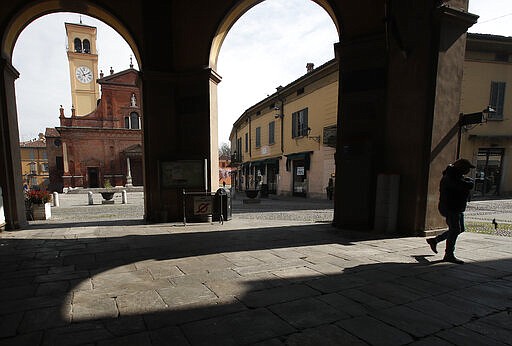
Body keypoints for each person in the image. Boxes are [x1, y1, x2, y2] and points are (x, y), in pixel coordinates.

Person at [426, 158, 475, 264]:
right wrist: (470, 182)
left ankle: (435, 240)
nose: (468, 171)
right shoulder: (451, 177)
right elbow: (465, 185)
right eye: (467, 168)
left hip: (456, 207)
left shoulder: (456, 176)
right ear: (461, 168)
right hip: (451, 207)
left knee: (459, 229)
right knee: (455, 229)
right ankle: (449, 254)